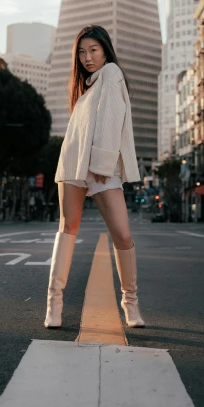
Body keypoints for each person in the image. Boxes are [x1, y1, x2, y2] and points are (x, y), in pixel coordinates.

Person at [44, 25, 145, 330]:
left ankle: (130, 302)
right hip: (74, 165)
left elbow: (112, 120)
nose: (87, 57)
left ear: (105, 51)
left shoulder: (112, 73)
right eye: (82, 52)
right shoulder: (85, 88)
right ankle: (54, 303)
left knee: (123, 236)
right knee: (67, 230)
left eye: (94, 50)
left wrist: (101, 165)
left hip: (102, 168)